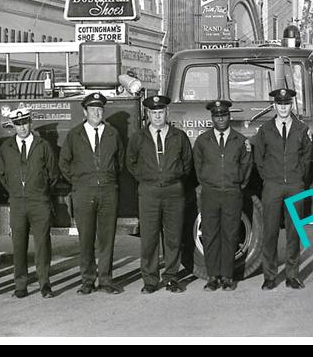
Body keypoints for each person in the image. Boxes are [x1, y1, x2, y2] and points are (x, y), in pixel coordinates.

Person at [128, 90, 192, 294]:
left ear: (167, 112)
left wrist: (174, 175)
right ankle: (150, 279)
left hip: (174, 191)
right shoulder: (138, 138)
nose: (158, 115)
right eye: (153, 112)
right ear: (147, 114)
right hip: (149, 192)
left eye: (161, 111)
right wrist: (147, 177)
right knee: (149, 237)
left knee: (173, 237)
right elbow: (131, 163)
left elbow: (187, 162)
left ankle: (171, 277)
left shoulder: (178, 136)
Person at [58, 92, 123, 295]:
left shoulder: (113, 134)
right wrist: (79, 181)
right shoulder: (74, 135)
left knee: (106, 238)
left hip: (107, 191)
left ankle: (105, 280)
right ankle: (87, 280)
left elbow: (119, 162)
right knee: (86, 238)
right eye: (92, 109)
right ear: (85, 111)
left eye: (99, 109)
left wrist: (107, 179)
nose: (96, 112)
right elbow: (64, 163)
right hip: (83, 192)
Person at [251, 86, 313, 290]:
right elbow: (259, 158)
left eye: (287, 104)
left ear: (291, 105)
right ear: (274, 105)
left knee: (294, 232)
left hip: (295, 185)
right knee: (269, 232)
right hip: (272, 186)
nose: (284, 107)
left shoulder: (301, 129)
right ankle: (270, 276)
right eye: (280, 104)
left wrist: (298, 177)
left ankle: (292, 275)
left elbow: (307, 157)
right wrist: (269, 178)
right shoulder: (265, 130)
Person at [0, 106, 58, 298]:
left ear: (31, 123)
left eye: (25, 123)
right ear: (13, 126)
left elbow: (53, 173)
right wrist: (16, 191)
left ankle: (44, 284)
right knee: (19, 244)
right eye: (18, 124)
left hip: (39, 201)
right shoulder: (6, 148)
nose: (22, 128)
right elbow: (2, 175)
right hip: (17, 203)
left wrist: (39, 189)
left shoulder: (43, 146)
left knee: (42, 244)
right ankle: (20, 284)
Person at [192, 99, 252, 291]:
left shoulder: (241, 141)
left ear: (229, 116)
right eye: (217, 116)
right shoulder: (203, 141)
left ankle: (227, 276)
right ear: (212, 118)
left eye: (224, 115)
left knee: (230, 234)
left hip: (232, 193)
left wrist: (236, 184)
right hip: (210, 193)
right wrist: (209, 183)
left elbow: (246, 167)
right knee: (210, 235)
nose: (221, 119)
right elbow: (198, 167)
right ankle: (212, 276)